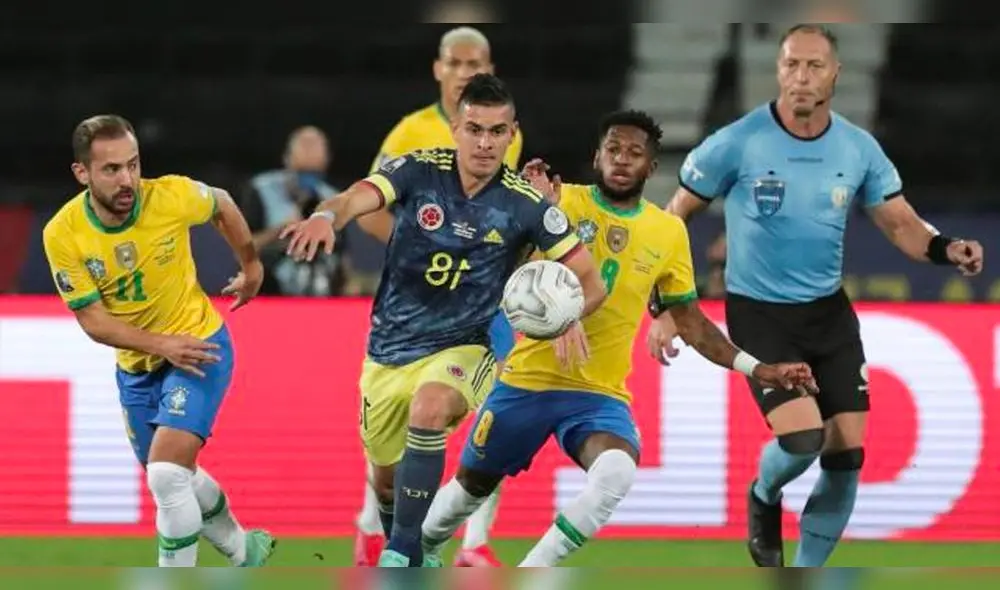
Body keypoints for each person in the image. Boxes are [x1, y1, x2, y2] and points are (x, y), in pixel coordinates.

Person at [416, 109, 818, 567]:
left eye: (634, 153)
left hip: (597, 396)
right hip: (525, 383)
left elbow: (690, 322)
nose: (622, 160)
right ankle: (420, 552)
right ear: (596, 157)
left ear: (651, 167)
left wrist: (758, 368)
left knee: (617, 472)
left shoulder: (667, 232)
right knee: (466, 493)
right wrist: (524, 204)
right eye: (613, 150)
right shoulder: (561, 201)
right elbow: (497, 260)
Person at [651, 24, 985, 567]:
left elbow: (900, 224)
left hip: (828, 314)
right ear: (778, 70)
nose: (800, 78)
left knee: (846, 453)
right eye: (790, 66)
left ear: (835, 74)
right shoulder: (737, 141)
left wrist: (947, 249)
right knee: (803, 439)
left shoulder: (857, 148)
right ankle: (763, 495)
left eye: (813, 67)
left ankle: (804, 572)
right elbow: (672, 220)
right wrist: (667, 305)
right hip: (759, 313)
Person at [281, 73, 607, 568]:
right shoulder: (416, 171)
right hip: (390, 346)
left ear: (512, 134)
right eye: (475, 128)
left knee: (431, 409)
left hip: (468, 341)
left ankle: (404, 550)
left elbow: (590, 279)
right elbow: (353, 198)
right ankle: (409, 549)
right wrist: (328, 217)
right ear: (455, 127)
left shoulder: (526, 203)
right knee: (386, 479)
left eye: (497, 132)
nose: (485, 142)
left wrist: (569, 315)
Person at [41, 115, 276, 567]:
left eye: (133, 164)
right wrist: (159, 344)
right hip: (139, 367)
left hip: (199, 348)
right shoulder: (63, 233)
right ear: (82, 174)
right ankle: (244, 550)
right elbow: (94, 322)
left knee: (167, 476)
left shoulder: (169, 196)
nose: (127, 179)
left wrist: (251, 265)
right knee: (174, 475)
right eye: (111, 169)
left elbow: (222, 203)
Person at [351, 25, 523, 567]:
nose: (468, 72)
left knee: (492, 412)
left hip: (484, 305)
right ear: (438, 69)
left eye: (478, 63)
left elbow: (507, 212)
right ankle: (374, 526)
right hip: (417, 307)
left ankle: (474, 542)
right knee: (395, 431)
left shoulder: (504, 132)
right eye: (458, 62)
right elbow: (372, 203)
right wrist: (421, 250)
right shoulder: (409, 134)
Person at [241, 125, 349, 296]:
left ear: (327, 160)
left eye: (313, 174)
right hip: (270, 289)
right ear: (287, 158)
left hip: (321, 288)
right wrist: (280, 230)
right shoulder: (261, 190)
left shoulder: (334, 198)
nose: (310, 150)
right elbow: (241, 250)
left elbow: (342, 257)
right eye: (305, 145)